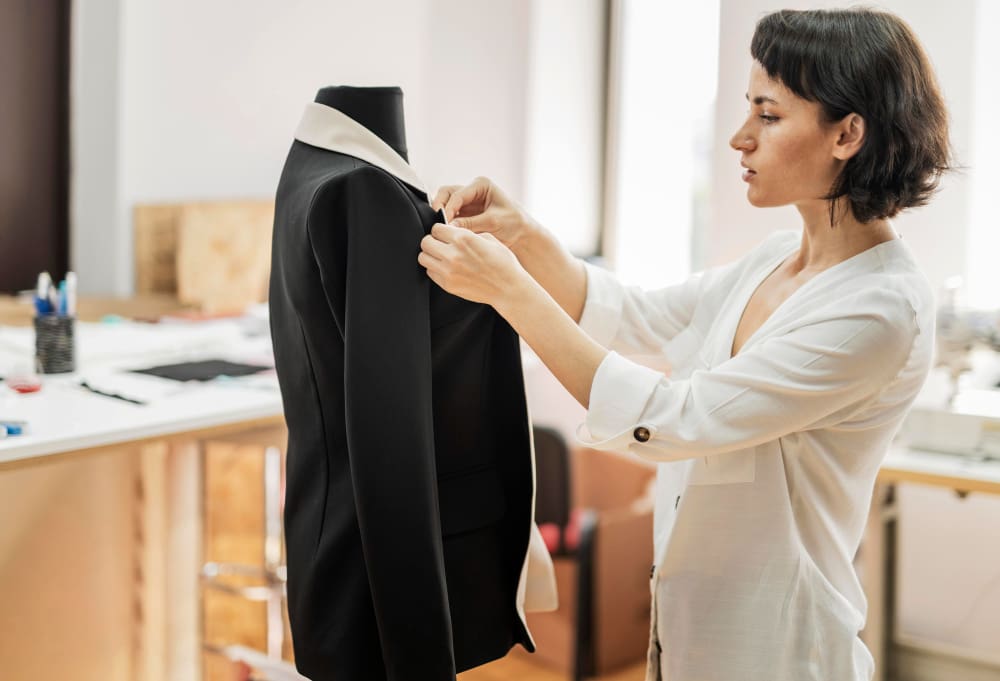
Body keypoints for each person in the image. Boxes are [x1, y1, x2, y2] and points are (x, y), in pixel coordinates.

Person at [418, 7, 949, 681]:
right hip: (690, 622)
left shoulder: (879, 308)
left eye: (768, 114)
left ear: (846, 134)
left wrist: (509, 291)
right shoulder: (776, 259)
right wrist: (522, 236)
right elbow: (633, 316)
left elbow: (676, 418)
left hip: (777, 647)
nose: (739, 138)